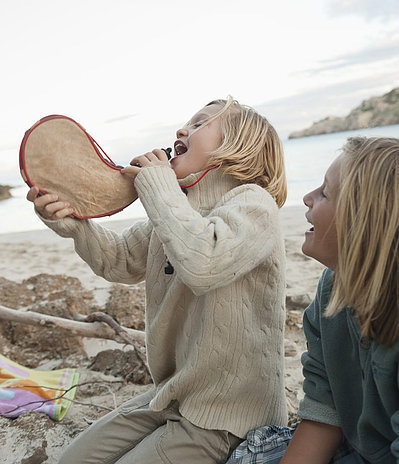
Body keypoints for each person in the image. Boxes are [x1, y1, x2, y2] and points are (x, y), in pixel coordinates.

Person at [27, 97, 288, 464]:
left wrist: (159, 186)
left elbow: (203, 261)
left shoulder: (253, 204)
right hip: (170, 394)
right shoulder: (173, 210)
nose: (182, 130)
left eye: (200, 124)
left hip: (226, 416)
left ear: (238, 147)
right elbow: (118, 260)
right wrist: (74, 225)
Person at [227, 136, 399, 464]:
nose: (305, 198)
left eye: (324, 193)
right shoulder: (331, 289)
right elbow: (325, 408)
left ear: (364, 222)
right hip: (358, 447)